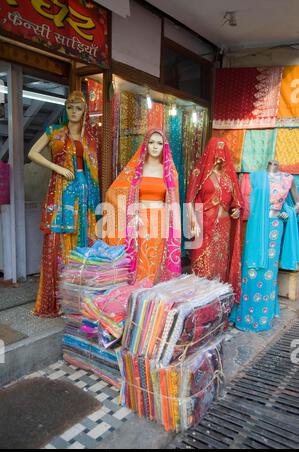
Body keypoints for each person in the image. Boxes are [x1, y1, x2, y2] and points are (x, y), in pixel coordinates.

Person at [28, 91, 100, 317]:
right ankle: (60, 299)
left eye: (78, 108)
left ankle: (79, 299)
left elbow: (93, 169)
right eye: (70, 107)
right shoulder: (55, 132)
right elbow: (32, 153)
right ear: (66, 109)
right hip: (62, 192)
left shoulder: (89, 138)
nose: (74, 112)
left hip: (84, 192)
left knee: (83, 240)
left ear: (85, 111)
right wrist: (57, 168)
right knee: (61, 240)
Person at [102, 129, 181, 283]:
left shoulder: (170, 173)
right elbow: (113, 192)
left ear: (164, 146)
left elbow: (173, 203)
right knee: (140, 260)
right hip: (139, 221)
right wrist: (131, 214)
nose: (155, 146)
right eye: (151, 142)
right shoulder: (136, 171)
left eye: (159, 143)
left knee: (156, 259)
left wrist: (174, 227)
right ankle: (138, 294)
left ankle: (152, 299)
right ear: (145, 144)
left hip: (160, 222)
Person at [230, 160, 299, 332]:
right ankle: (246, 314)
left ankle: (263, 316)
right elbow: (243, 203)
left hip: (275, 228)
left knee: (269, 270)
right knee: (251, 268)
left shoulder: (288, 179)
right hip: (256, 228)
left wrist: (288, 212)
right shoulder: (255, 177)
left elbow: (297, 205)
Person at [186, 137, 243, 302]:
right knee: (203, 267)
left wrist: (236, 211)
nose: (220, 157)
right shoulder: (199, 173)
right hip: (203, 226)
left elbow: (236, 202)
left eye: (222, 152)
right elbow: (190, 200)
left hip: (224, 228)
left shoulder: (229, 177)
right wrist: (193, 222)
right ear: (210, 151)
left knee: (220, 265)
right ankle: (200, 304)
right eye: (216, 152)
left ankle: (218, 305)